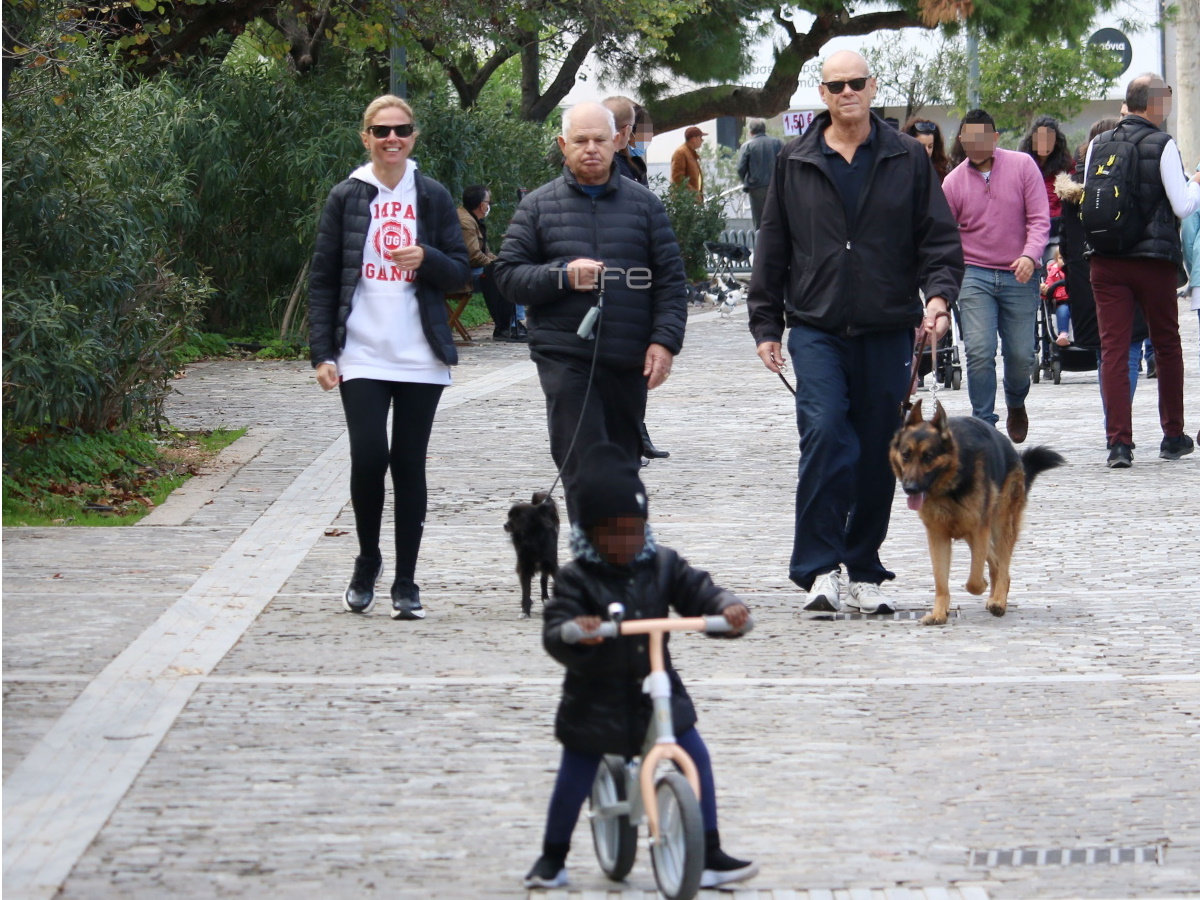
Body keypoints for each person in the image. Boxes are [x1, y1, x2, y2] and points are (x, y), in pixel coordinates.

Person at [747, 50, 963, 614]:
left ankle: (864, 566)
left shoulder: (907, 159)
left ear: (872, 88)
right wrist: (766, 323)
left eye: (856, 83)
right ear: (822, 93)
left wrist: (938, 298)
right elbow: (773, 246)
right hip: (816, 327)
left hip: (887, 327)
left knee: (875, 453)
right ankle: (819, 568)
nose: (847, 92)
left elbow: (938, 240)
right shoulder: (794, 160)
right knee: (823, 435)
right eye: (836, 84)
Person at [524, 442, 757, 891]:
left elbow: (698, 592)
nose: (625, 542)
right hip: (595, 698)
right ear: (590, 533)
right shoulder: (577, 578)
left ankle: (707, 850)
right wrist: (578, 630)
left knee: (697, 756)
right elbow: (556, 630)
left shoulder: (662, 564)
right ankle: (552, 856)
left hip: (659, 691)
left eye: (633, 531)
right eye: (612, 533)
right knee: (576, 772)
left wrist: (725, 609)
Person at [308, 95, 470, 620]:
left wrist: (427, 259)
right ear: (366, 137)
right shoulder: (347, 196)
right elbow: (324, 277)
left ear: (414, 136)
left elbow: (462, 274)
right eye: (381, 131)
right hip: (361, 352)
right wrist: (321, 353)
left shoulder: (434, 195)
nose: (392, 138)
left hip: (420, 353)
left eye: (401, 130)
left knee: (408, 465)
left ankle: (406, 580)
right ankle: (367, 559)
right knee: (368, 457)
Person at [493, 102, 687, 523]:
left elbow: (671, 281)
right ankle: (591, 568)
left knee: (621, 469)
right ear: (564, 145)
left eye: (600, 139)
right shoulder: (537, 207)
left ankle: (616, 570)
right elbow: (507, 276)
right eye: (580, 140)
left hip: (627, 358)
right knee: (582, 464)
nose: (591, 149)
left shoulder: (646, 206)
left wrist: (665, 341)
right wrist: (562, 275)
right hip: (565, 357)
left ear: (618, 141)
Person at [1084, 73, 1200, 467]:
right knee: (1166, 345)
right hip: (1152, 262)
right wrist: (1196, 183)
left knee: (1114, 349)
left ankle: (1119, 443)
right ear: (1152, 104)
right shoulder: (1162, 143)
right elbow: (1183, 206)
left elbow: (1089, 198)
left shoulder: (1098, 143)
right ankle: (1172, 435)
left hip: (1105, 259)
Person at [943, 108, 1050, 443]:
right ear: (961, 141)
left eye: (982, 137)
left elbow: (1039, 219)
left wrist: (1030, 256)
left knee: (1021, 354)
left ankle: (1016, 400)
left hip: (1020, 272)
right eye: (968, 138)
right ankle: (984, 425)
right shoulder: (953, 182)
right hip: (974, 275)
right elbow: (944, 235)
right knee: (978, 349)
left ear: (995, 137)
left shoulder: (1022, 166)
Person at [601, 96, 670, 462]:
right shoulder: (606, 166)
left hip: (637, 273)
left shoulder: (632, 162)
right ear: (627, 131)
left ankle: (636, 430)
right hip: (614, 273)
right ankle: (625, 433)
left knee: (636, 363)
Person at [457, 185, 526, 343]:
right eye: (489, 202)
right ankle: (509, 326)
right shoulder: (466, 222)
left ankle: (512, 324)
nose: (489, 205)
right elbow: (474, 256)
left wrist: (503, 262)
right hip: (461, 274)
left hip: (472, 269)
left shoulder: (473, 219)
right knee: (502, 274)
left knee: (509, 269)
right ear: (482, 205)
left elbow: (485, 253)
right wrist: (500, 265)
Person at [1017, 115, 1076, 262]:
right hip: (1028, 227)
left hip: (1056, 227)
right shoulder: (1022, 163)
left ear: (1056, 142)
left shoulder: (1067, 165)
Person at [736, 118, 783, 229]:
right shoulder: (777, 143)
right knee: (777, 218)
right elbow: (786, 163)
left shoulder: (747, 146)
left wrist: (746, 181)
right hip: (775, 186)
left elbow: (740, 168)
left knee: (760, 221)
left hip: (756, 187)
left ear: (750, 132)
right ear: (764, 130)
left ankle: (761, 244)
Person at [902, 116, 950, 182]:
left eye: (930, 147)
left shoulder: (942, 173)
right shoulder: (900, 172)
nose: (927, 151)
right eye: (921, 146)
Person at [1042, 246, 1071, 345]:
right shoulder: (1054, 273)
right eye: (1061, 258)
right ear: (1055, 260)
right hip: (1063, 301)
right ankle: (1063, 333)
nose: (1064, 261)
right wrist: (1045, 290)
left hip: (1080, 301)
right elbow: (1049, 287)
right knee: (1062, 312)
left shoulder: (1078, 271)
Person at [670, 125, 706, 197]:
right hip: (685, 202)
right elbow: (678, 179)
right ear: (693, 139)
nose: (702, 140)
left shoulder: (691, 153)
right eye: (700, 137)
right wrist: (693, 196)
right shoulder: (681, 153)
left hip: (692, 201)